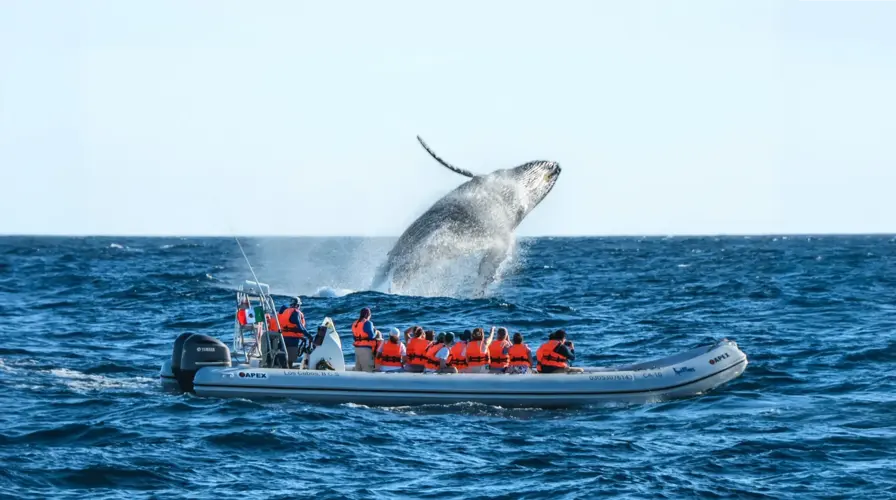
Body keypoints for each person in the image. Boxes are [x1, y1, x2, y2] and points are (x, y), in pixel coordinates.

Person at [278, 297, 309, 367]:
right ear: (297, 305)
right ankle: (288, 370)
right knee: (290, 359)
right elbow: (300, 326)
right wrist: (309, 336)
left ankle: (283, 368)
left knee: (284, 356)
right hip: (292, 339)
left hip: (283, 337)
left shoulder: (285, 312)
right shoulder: (296, 312)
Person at [351, 307, 378, 372]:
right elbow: (372, 336)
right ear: (367, 315)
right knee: (367, 370)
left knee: (358, 369)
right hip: (366, 349)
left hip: (357, 349)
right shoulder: (368, 323)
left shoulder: (355, 323)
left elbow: (354, 337)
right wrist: (376, 331)